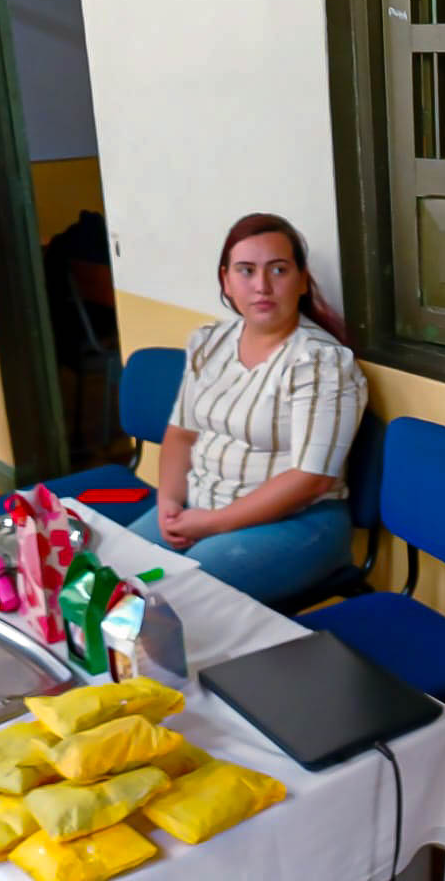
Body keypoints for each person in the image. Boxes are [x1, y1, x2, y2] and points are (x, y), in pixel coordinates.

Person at [128, 213, 368, 605]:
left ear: (302, 280)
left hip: (297, 521)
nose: (262, 286)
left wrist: (212, 523)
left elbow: (311, 479)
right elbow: (181, 434)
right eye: (246, 271)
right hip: (200, 504)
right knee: (112, 571)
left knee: (177, 598)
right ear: (226, 280)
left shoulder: (321, 362)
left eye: (279, 270)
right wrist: (168, 501)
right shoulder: (210, 342)